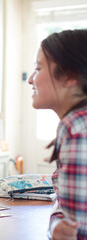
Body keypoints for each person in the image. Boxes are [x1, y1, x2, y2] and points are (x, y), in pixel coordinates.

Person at [28, 29, 87, 239]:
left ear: (70, 76)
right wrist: (56, 225)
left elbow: (78, 229)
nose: (30, 80)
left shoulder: (76, 128)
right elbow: (69, 219)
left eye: (38, 68)